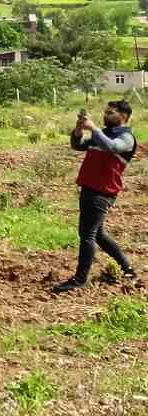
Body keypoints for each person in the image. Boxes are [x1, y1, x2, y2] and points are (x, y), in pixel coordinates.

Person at [53, 100, 138, 292]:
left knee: (87, 235)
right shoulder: (103, 135)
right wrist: (79, 130)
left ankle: (80, 279)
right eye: (105, 112)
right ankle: (128, 269)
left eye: (110, 113)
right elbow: (78, 145)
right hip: (90, 188)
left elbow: (112, 148)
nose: (105, 115)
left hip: (102, 191)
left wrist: (94, 128)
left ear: (123, 116)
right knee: (97, 234)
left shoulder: (126, 138)